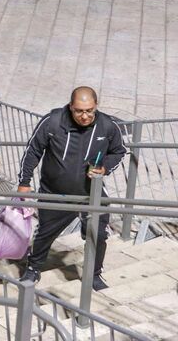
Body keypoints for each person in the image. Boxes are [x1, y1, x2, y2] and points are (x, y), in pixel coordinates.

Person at [18, 87, 127, 289]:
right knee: (45, 234)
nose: (85, 116)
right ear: (70, 107)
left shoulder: (107, 126)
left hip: (91, 194)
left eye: (89, 111)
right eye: (79, 111)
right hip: (55, 193)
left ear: (96, 106)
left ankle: (94, 274)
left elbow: (119, 152)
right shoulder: (53, 122)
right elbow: (33, 150)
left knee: (99, 234)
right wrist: (24, 183)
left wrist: (104, 168)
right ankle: (33, 268)